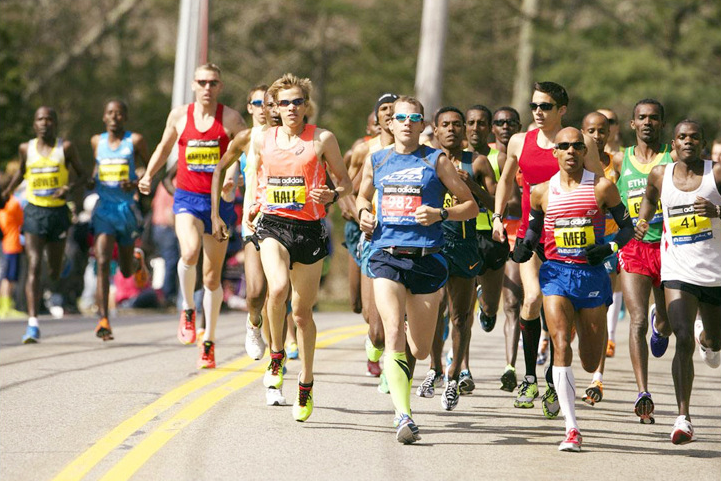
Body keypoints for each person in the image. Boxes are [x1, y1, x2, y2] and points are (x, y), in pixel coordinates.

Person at [217, 73, 352, 422]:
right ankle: (276, 355)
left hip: (309, 230)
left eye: (297, 102)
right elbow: (256, 178)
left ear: (306, 106)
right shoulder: (262, 138)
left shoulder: (322, 139)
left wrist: (332, 195)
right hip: (273, 225)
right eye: (284, 103)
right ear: (274, 108)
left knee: (302, 314)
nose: (291, 108)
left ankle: (306, 382)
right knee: (276, 288)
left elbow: (345, 183)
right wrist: (254, 205)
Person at [356, 96, 477, 443]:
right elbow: (361, 197)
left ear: (423, 125)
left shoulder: (436, 160)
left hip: (427, 258)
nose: (407, 124)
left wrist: (441, 214)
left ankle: (410, 331)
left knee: (421, 350)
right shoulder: (377, 159)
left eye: (414, 118)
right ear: (390, 124)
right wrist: (364, 214)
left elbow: (470, 206)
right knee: (392, 331)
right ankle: (403, 416)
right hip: (386, 254)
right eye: (401, 118)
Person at [514, 127, 634, 452]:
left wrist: (608, 247)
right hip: (556, 274)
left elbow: (627, 228)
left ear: (584, 151)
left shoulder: (602, 187)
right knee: (560, 342)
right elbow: (533, 230)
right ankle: (571, 427)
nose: (570, 151)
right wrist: (524, 247)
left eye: (576, 146)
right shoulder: (541, 191)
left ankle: (581, 362)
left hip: (592, 277)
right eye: (564, 145)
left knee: (590, 360)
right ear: (555, 152)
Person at [492, 82, 603, 415]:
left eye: (546, 106)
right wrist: (497, 217)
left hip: (569, 238)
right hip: (531, 234)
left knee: (561, 312)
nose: (538, 112)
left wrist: (601, 236)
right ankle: (529, 377)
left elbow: (600, 187)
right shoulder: (519, 141)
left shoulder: (578, 143)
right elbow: (506, 180)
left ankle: (555, 379)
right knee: (532, 299)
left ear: (562, 110)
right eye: (534, 106)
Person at [139, 63, 246, 368]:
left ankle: (208, 341)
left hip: (219, 204)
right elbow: (163, 148)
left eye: (213, 82)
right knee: (189, 251)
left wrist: (235, 177)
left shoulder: (231, 119)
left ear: (220, 86)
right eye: (202, 82)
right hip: (187, 198)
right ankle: (187, 309)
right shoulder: (179, 116)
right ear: (193, 85)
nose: (207, 88)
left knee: (212, 278)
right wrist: (148, 175)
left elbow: (246, 152)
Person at [634, 120, 721, 444]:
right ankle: (683, 417)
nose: (688, 141)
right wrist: (643, 220)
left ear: (702, 143)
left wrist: (717, 210)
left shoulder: (716, 174)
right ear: (673, 143)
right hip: (677, 271)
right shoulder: (660, 174)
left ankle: (707, 339)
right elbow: (649, 198)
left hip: (715, 273)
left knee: (714, 341)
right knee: (681, 337)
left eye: (694, 137)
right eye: (682, 137)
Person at [1, 107, 86, 343]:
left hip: (58, 213)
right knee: (34, 264)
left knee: (54, 271)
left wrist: (68, 188)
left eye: (49, 119)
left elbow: (83, 175)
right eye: (40, 119)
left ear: (55, 124)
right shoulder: (26, 149)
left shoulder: (65, 148)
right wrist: (8, 192)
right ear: (34, 124)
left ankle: (59, 265)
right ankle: (33, 324)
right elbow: (21, 172)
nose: (44, 123)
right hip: (34, 212)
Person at [418, 106, 484, 410]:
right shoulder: (425, 160)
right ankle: (434, 369)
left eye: (457, 124)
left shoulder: (476, 162)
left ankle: (454, 377)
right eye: (445, 124)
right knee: (435, 310)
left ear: (464, 130)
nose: (452, 129)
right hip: (434, 243)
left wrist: (471, 186)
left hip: (465, 245)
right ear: (435, 129)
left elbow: (495, 201)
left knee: (460, 316)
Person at [613, 99, 673, 423]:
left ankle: (660, 324)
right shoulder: (620, 159)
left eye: (653, 118)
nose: (647, 122)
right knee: (635, 321)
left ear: (662, 123)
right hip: (634, 249)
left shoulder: (672, 157)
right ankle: (643, 393)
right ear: (632, 123)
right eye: (642, 117)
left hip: (669, 248)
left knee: (667, 323)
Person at [89, 100, 150, 340]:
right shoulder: (97, 141)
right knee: (102, 261)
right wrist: (91, 180)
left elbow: (150, 171)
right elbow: (96, 170)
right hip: (104, 210)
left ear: (125, 117)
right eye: (110, 113)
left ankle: (136, 260)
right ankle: (103, 319)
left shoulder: (134, 141)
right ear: (104, 117)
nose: (114, 117)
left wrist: (135, 183)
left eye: (119, 113)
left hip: (126, 210)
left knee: (125, 271)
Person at [348, 93, 398, 384]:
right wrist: (358, 213)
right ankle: (377, 345)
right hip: (373, 236)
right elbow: (349, 189)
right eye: (384, 109)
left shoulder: (419, 150)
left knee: (395, 316)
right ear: (377, 117)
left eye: (394, 109)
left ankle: (393, 369)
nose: (390, 113)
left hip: (405, 238)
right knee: (371, 318)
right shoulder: (365, 151)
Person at [579, 111, 622, 404]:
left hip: (607, 242)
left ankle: (597, 378)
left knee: (603, 305)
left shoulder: (616, 162)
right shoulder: (572, 161)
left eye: (602, 131)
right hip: (575, 241)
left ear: (610, 134)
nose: (596, 136)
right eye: (591, 131)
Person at [486, 106, 524, 392]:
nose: (505, 126)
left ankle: (510, 367)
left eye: (511, 122)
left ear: (519, 126)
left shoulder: (527, 154)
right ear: (493, 128)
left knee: (512, 303)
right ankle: (484, 302)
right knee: (491, 306)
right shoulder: (484, 157)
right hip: (485, 235)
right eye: (499, 122)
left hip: (519, 235)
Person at [0, 172, 25, 319]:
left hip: (4, 242)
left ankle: (5, 306)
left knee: (5, 276)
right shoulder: (13, 202)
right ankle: (6, 306)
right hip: (12, 243)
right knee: (9, 277)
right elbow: (21, 220)